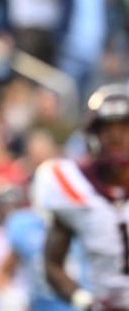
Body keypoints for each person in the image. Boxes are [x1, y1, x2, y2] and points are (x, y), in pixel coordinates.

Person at [33, 82, 129, 310]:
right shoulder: (72, 184)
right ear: (93, 133)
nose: (115, 136)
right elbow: (52, 265)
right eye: (107, 128)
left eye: (124, 127)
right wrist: (83, 301)